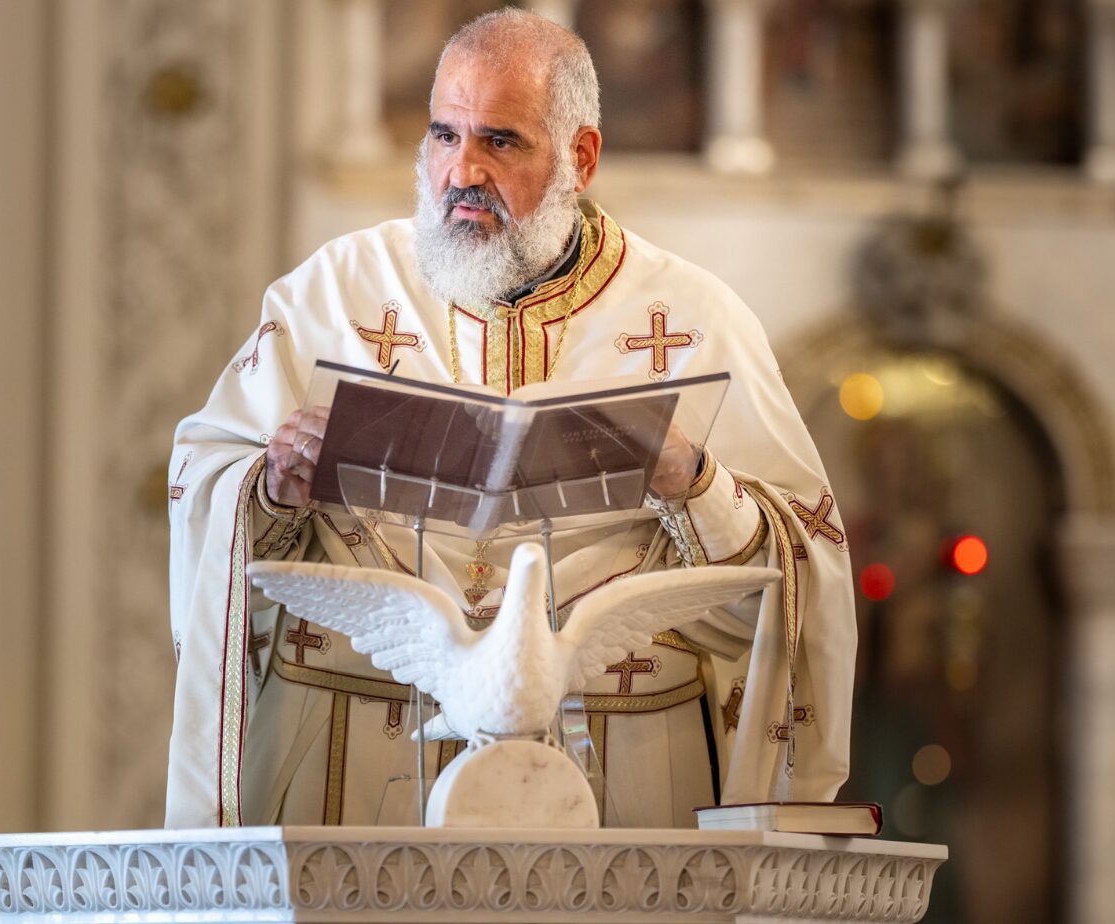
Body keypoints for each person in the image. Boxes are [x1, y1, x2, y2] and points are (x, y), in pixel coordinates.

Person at [165, 9, 855, 829]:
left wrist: (692, 481)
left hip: (620, 772)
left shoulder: (697, 321)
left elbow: (800, 567)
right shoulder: (332, 293)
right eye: (444, 134)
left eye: (500, 141)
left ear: (581, 157)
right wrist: (270, 488)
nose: (462, 170)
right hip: (348, 763)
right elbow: (206, 490)